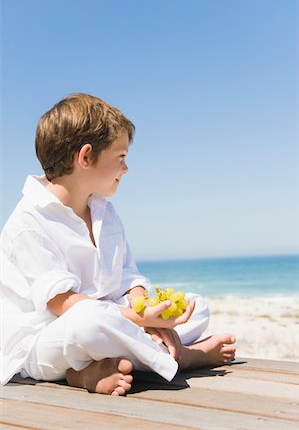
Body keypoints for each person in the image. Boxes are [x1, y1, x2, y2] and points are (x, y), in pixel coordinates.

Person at [0, 93, 236, 395]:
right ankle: (185, 357)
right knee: (89, 321)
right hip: (45, 339)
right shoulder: (28, 222)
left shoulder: (104, 210)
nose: (126, 169)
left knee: (195, 306)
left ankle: (87, 371)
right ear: (85, 157)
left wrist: (148, 311)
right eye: (120, 157)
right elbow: (63, 304)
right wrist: (140, 320)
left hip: (111, 322)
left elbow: (127, 276)